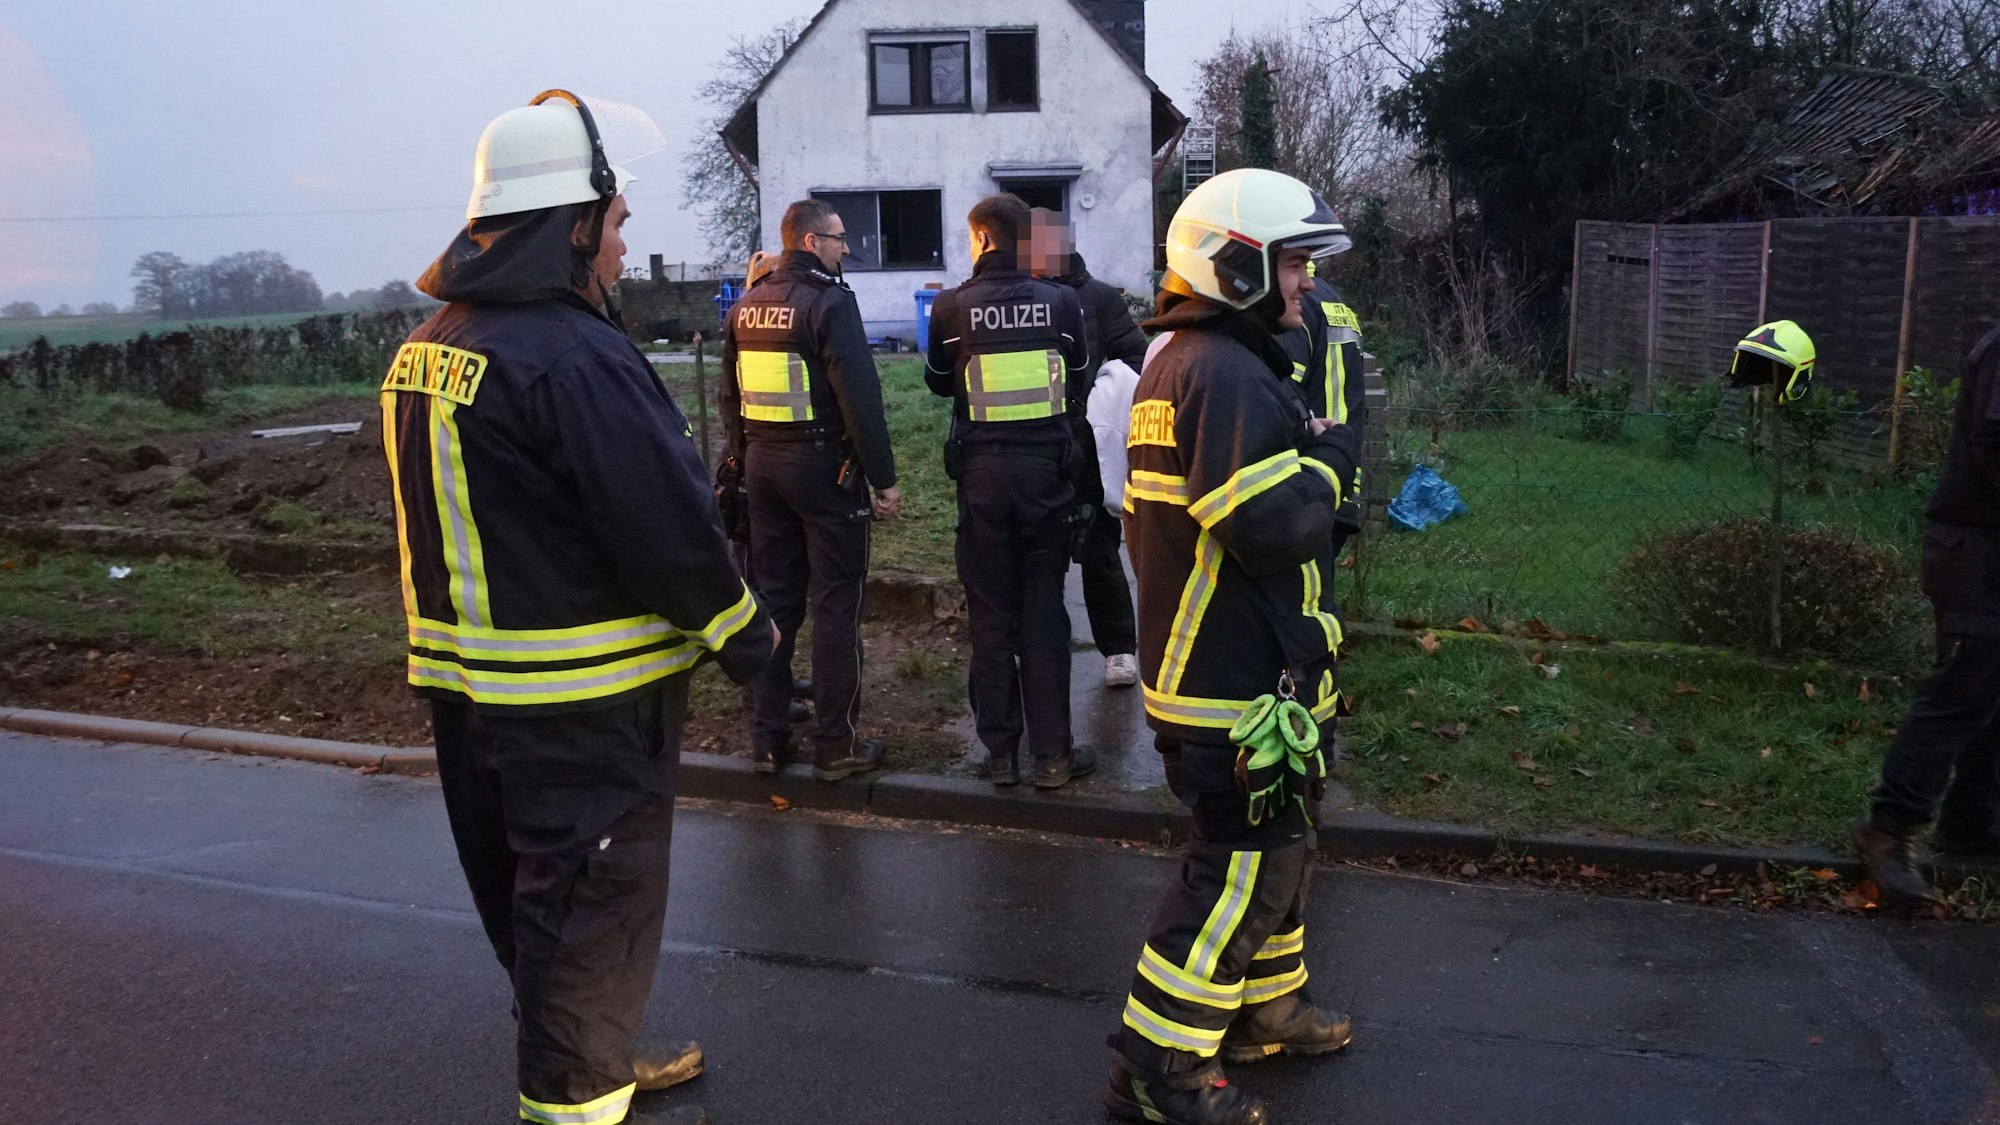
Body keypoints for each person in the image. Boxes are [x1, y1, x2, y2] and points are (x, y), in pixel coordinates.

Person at [388, 90, 775, 1125]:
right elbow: (664, 528)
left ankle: (594, 1052)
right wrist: (748, 636)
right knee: (587, 915)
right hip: (585, 715)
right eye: (614, 222)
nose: (621, 243)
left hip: (473, 702)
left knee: (541, 912)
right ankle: (576, 1092)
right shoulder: (573, 357)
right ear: (570, 224)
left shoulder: (429, 347)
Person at [1104, 167, 1359, 1125]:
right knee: (1233, 883)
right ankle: (1157, 1075)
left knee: (1277, 861)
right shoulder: (1223, 369)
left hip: (1242, 678)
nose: (1304, 284)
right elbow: (1274, 526)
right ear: (1236, 265)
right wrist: (1332, 464)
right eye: (1293, 263)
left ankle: (1267, 1007)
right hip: (1234, 687)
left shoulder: (1195, 361)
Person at [720, 199, 901, 781]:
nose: (844, 248)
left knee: (774, 602)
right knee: (836, 605)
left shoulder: (746, 305)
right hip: (824, 469)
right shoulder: (829, 302)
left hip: (762, 467)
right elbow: (861, 401)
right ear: (808, 241)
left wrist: (742, 462)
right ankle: (835, 745)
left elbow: (730, 397)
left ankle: (769, 739)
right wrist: (883, 478)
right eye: (838, 238)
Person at [925, 193, 1096, 788]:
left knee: (991, 610)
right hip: (1047, 475)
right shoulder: (1063, 303)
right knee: (1045, 609)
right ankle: (1053, 756)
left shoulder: (951, 308)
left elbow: (938, 385)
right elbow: (1079, 378)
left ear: (981, 239)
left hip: (982, 479)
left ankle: (1001, 755)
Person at [1852, 322, 2000, 904]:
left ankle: (1973, 829)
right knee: (1961, 693)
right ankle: (1887, 831)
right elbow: (1993, 443)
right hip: (1977, 552)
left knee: (1993, 693)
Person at [1027, 208, 1144, 689]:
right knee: (1041, 552)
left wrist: (1102, 395)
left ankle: (1118, 649)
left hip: (1087, 445)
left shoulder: (1097, 298)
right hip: (1035, 444)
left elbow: (1136, 355)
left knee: (1098, 549)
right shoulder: (1021, 297)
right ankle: (1039, 646)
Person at [1281, 261, 1369, 558]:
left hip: (1305, 479)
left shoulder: (1292, 307)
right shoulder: (1332, 300)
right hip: (1340, 473)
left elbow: (1279, 394)